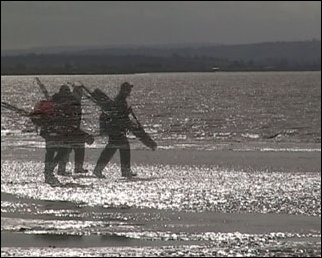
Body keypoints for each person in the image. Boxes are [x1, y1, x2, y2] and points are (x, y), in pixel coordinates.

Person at [93, 82, 137, 178]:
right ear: (123, 90)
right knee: (119, 149)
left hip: (115, 129)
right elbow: (119, 115)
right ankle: (124, 171)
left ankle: (99, 169)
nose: (129, 91)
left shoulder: (120, 100)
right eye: (128, 89)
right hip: (116, 129)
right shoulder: (119, 101)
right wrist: (127, 113)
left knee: (113, 149)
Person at [56, 85, 89, 175]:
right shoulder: (74, 103)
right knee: (69, 148)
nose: (81, 95)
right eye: (80, 93)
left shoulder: (74, 102)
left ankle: (75, 168)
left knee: (75, 147)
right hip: (69, 130)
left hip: (70, 130)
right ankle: (64, 169)